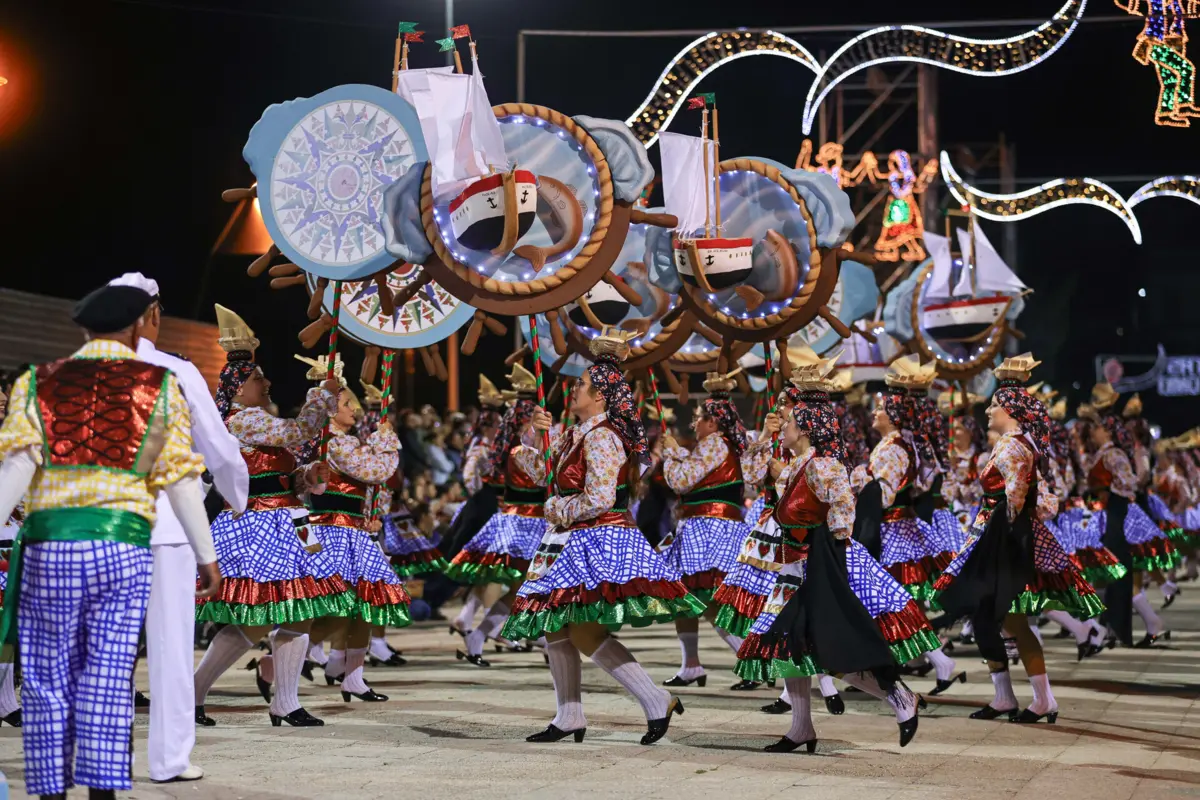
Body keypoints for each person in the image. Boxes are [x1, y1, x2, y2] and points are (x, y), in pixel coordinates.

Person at [0, 280, 221, 800]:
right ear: (137, 326)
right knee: (108, 668)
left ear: (82, 328)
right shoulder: (157, 385)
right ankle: (103, 792)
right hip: (121, 548)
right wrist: (206, 555)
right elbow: (182, 478)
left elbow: (15, 468)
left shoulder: (37, 382)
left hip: (50, 546)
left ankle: (52, 789)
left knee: (48, 673)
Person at [501, 327, 705, 744]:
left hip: (598, 538)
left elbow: (599, 496)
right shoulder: (575, 433)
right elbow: (543, 475)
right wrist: (531, 437)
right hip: (571, 539)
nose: (573, 389)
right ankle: (569, 715)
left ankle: (653, 698)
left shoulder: (604, 437)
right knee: (555, 624)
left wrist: (558, 508)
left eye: (581, 384)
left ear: (600, 396)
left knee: (582, 629)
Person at [738, 351, 936, 751]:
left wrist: (827, 549)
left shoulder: (822, 465)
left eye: (791, 420)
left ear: (807, 427)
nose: (786, 424)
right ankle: (801, 727)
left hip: (818, 568)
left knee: (827, 645)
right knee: (794, 646)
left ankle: (899, 697)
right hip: (793, 567)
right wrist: (763, 437)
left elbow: (843, 512)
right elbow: (753, 480)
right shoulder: (797, 464)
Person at [103, 273, 250, 783]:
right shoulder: (175, 372)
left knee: (107, 649)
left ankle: (105, 758)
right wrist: (237, 498)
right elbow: (217, 446)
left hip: (102, 525)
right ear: (153, 315)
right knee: (169, 644)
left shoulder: (81, 374)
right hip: (168, 524)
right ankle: (168, 759)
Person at [192, 305, 352, 728]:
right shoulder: (240, 419)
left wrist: (304, 477)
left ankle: (284, 701)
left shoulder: (256, 420)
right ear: (239, 388)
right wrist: (323, 393)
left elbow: (274, 472)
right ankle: (196, 692)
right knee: (253, 618)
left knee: (293, 611)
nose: (266, 382)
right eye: (257, 379)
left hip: (286, 520)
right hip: (259, 526)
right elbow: (296, 432)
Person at [932, 354, 1105, 723]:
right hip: (1004, 534)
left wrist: (997, 544)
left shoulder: (1011, 446)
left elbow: (1012, 497)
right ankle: (1012, 697)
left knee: (1005, 618)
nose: (989, 410)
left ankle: (1033, 698)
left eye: (995, 404)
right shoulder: (1017, 442)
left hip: (1004, 538)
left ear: (1010, 410)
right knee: (1003, 619)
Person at [851, 356, 961, 695]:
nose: (874, 412)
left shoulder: (894, 448)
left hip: (892, 533)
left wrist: (857, 479)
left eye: (880, 408)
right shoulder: (899, 444)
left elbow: (882, 495)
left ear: (894, 414)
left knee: (891, 601)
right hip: (899, 529)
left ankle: (936, 659)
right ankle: (904, 662)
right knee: (890, 602)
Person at [659, 370, 772, 687]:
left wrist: (670, 453)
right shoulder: (729, 446)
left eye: (698, 418)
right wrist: (679, 451)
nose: (694, 424)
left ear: (713, 422)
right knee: (689, 598)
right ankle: (691, 664)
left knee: (706, 600)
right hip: (714, 527)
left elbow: (681, 480)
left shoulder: (712, 445)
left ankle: (751, 658)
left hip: (708, 531)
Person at [304, 371, 411, 702]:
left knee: (367, 601)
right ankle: (288, 654)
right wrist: (387, 439)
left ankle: (353, 677)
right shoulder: (333, 442)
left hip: (352, 528)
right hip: (332, 530)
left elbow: (366, 485)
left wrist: (370, 516)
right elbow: (376, 471)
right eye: (348, 403)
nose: (356, 410)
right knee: (337, 606)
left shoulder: (344, 441)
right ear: (330, 409)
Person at [445, 364, 547, 666]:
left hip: (528, 521)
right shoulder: (520, 452)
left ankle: (486, 634)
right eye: (535, 419)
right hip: (526, 524)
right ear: (524, 422)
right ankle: (537, 636)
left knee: (525, 588)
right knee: (528, 586)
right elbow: (543, 479)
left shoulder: (518, 448)